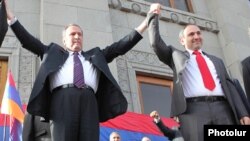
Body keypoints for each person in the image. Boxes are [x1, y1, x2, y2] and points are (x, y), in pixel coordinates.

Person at [4, 0, 148, 141]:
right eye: (72, 34)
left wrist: (145, 23)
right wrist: (11, 17)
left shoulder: (95, 55)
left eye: (80, 34)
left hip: (89, 102)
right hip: (62, 101)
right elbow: (28, 41)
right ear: (64, 40)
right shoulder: (52, 52)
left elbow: (121, 46)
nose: (77, 37)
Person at [147, 3, 250, 141]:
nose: (196, 36)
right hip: (194, 112)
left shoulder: (217, 61)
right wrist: (153, 15)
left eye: (198, 33)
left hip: (223, 109)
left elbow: (230, 86)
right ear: (182, 40)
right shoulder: (176, 56)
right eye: (191, 34)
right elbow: (156, 43)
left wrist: (243, 113)